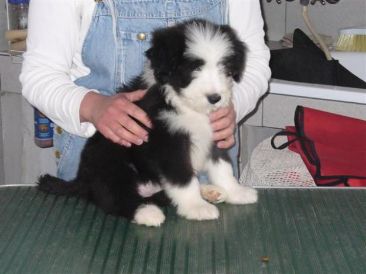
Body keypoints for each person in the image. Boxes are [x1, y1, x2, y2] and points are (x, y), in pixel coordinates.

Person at [20, 0, 271, 182]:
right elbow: (39, 74)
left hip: (204, 171)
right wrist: (93, 107)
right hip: (110, 170)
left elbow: (255, 61)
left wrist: (234, 104)